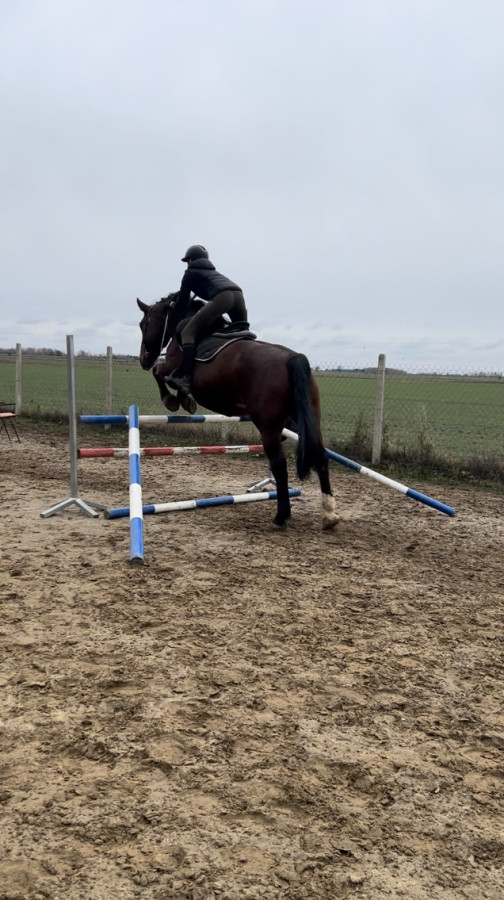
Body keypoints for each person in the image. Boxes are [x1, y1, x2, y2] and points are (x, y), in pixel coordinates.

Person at [169, 245, 248, 399]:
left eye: (187, 261)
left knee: (187, 332)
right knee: (243, 335)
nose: (187, 264)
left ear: (190, 260)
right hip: (239, 296)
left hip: (223, 297)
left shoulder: (190, 272)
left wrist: (174, 318)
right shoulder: (215, 273)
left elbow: (183, 302)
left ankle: (186, 379)